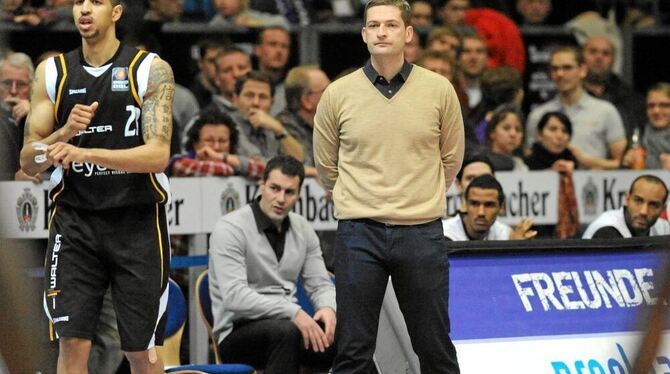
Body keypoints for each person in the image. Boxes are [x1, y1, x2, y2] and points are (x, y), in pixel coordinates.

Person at [19, 0, 174, 373]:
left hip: (136, 220)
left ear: (116, 12)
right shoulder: (52, 71)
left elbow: (157, 155)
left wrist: (86, 153)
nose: (84, 9)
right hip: (74, 222)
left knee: (142, 350)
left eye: (96, 2)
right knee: (71, 343)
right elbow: (28, 161)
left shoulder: (150, 69)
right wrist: (64, 133)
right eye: (77, 2)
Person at [314, 0, 464, 372]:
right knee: (353, 350)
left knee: (434, 346)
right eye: (374, 25)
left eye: (392, 25)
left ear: (408, 34)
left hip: (421, 232)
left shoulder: (439, 90)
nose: (382, 32)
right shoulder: (337, 93)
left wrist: (418, 195)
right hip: (358, 232)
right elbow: (325, 166)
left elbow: (451, 159)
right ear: (364, 34)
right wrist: (360, 198)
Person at [209, 155, 336, 373]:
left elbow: (320, 284)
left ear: (298, 195)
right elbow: (235, 297)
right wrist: (292, 312)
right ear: (262, 185)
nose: (280, 198)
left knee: (349, 332)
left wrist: (328, 308)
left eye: (289, 192)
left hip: (288, 326)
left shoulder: (302, 228)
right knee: (285, 332)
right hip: (237, 331)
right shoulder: (230, 228)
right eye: (274, 188)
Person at [525, 46, 627, 170]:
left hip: (594, 185)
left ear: (582, 70)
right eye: (555, 69)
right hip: (548, 187)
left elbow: (624, 163)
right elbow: (528, 163)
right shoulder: (538, 115)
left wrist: (588, 161)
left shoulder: (605, 111)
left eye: (567, 68)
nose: (560, 74)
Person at [525, 111, 580, 238]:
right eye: (553, 129)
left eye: (565, 131)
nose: (559, 135)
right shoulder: (527, 164)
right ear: (539, 134)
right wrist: (549, 176)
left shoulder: (575, 164)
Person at [582, 35, 646, 142]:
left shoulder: (631, 100)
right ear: (582, 57)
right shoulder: (569, 95)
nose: (599, 57)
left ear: (614, 60)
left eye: (606, 53)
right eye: (593, 52)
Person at [170, 109, 265, 178]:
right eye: (209, 140)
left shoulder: (233, 160)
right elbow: (223, 170)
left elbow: (265, 171)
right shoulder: (180, 162)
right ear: (195, 144)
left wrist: (222, 157)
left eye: (222, 141)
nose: (216, 147)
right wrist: (232, 163)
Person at [232, 71, 304, 161]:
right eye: (249, 95)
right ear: (235, 99)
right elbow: (256, 162)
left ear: (272, 103)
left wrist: (280, 131)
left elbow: (300, 160)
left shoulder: (274, 126)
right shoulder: (228, 126)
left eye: (263, 97)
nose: (256, 103)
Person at [443, 174, 536, 240]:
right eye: (474, 204)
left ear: (501, 208)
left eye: (489, 205)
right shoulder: (444, 232)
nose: (481, 212)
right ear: (465, 205)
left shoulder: (505, 235)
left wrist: (516, 248)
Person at [276, 64, 329, 176]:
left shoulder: (328, 123)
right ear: (306, 101)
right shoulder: (285, 125)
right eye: (326, 90)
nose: (334, 95)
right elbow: (304, 164)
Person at [583, 175, 670, 239]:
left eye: (653, 205)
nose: (643, 212)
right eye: (638, 201)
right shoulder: (606, 229)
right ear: (627, 199)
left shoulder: (663, 228)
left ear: (662, 209)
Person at [0, 52, 37, 181]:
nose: (13, 91)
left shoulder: (39, 115)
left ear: (32, 88)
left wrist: (34, 115)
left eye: (21, 84)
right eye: (6, 83)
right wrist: (13, 177)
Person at [254, 26, 291, 115]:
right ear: (258, 50)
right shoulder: (246, 86)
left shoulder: (293, 88)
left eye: (284, 46)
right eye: (272, 44)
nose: (279, 51)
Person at [482, 106, 528, 171]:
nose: (513, 134)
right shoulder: (482, 162)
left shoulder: (520, 163)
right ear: (492, 132)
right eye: (506, 128)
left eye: (518, 129)